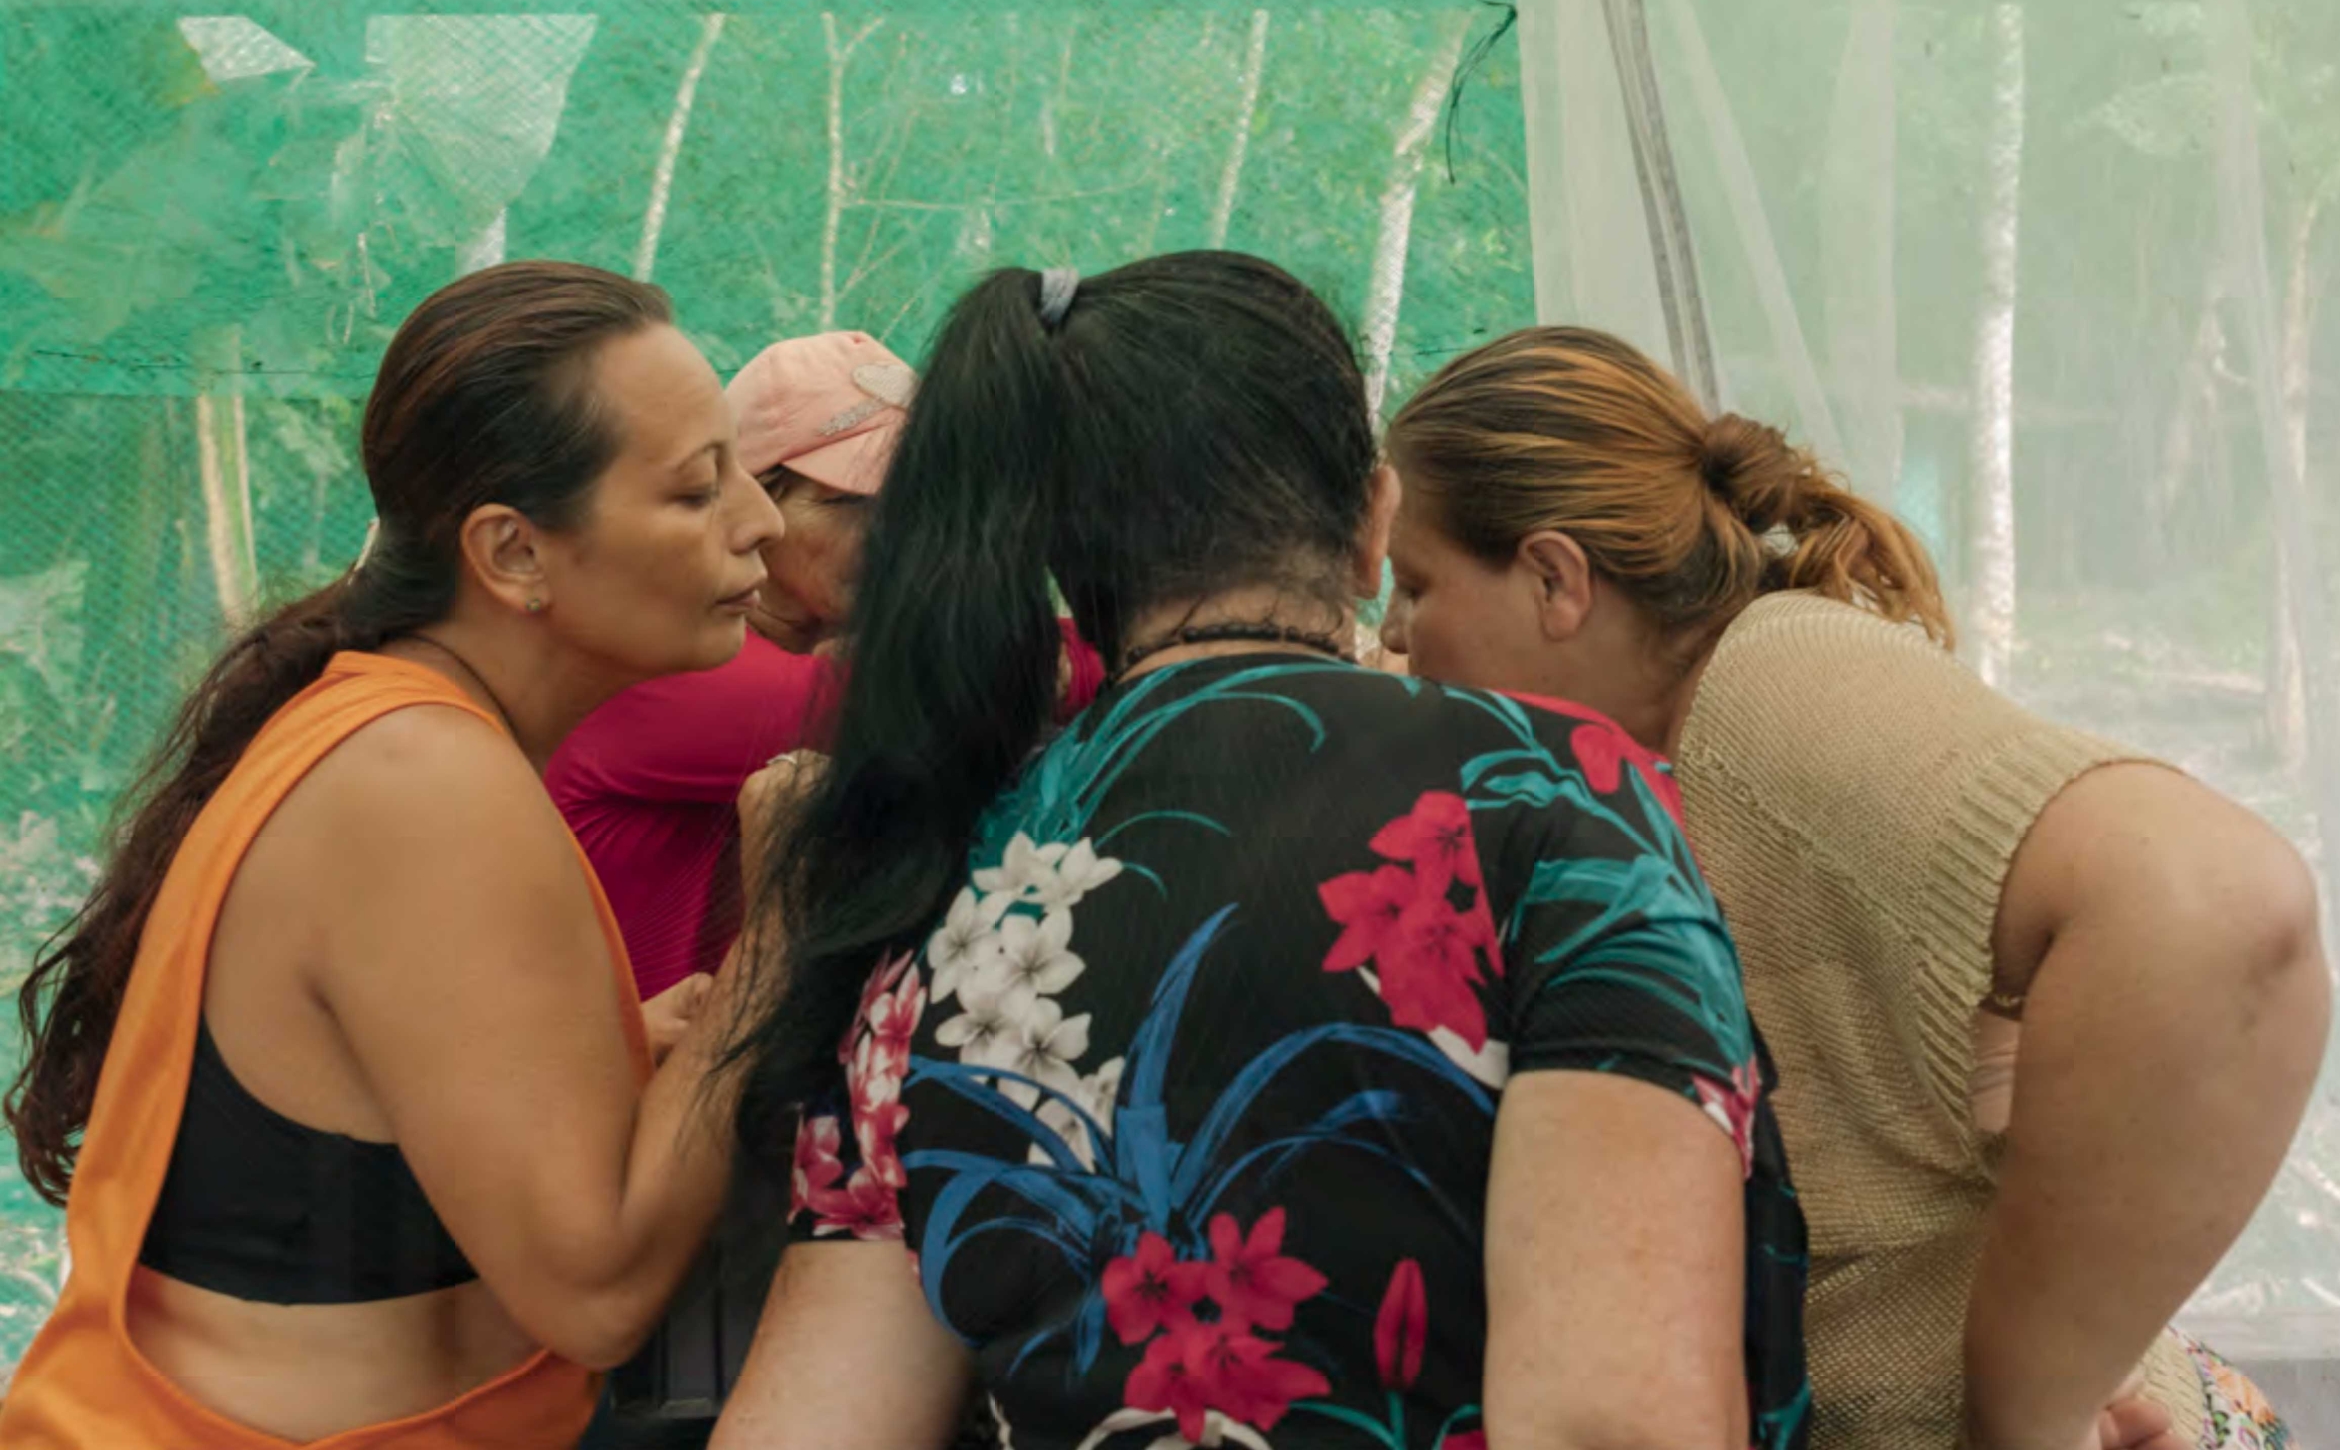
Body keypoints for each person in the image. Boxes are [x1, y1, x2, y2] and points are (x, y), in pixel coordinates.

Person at [709, 253, 1809, 1450]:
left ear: (1060, 549)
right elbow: (1613, 1421)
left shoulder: (933, 870)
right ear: (1372, 521)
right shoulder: (1554, 798)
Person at [1378, 325, 2327, 1450]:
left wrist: (2026, 1415)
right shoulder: (1656, 768)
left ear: (1554, 578)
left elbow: (2215, 910)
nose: (1391, 634)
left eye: (1413, 584)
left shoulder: (1774, 681)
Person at [0, 261, 781, 1449]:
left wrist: (634, 1046)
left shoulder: (394, 733)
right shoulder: (423, 778)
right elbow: (598, 1289)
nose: (761, 521)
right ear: (513, 553)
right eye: (694, 491)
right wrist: (782, 931)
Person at [550, 332, 1105, 1000]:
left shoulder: (827, 652)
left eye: (914, 502)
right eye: (851, 504)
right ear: (750, 508)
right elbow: (962, 690)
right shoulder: (661, 667)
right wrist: (1035, 666)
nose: (896, 535)